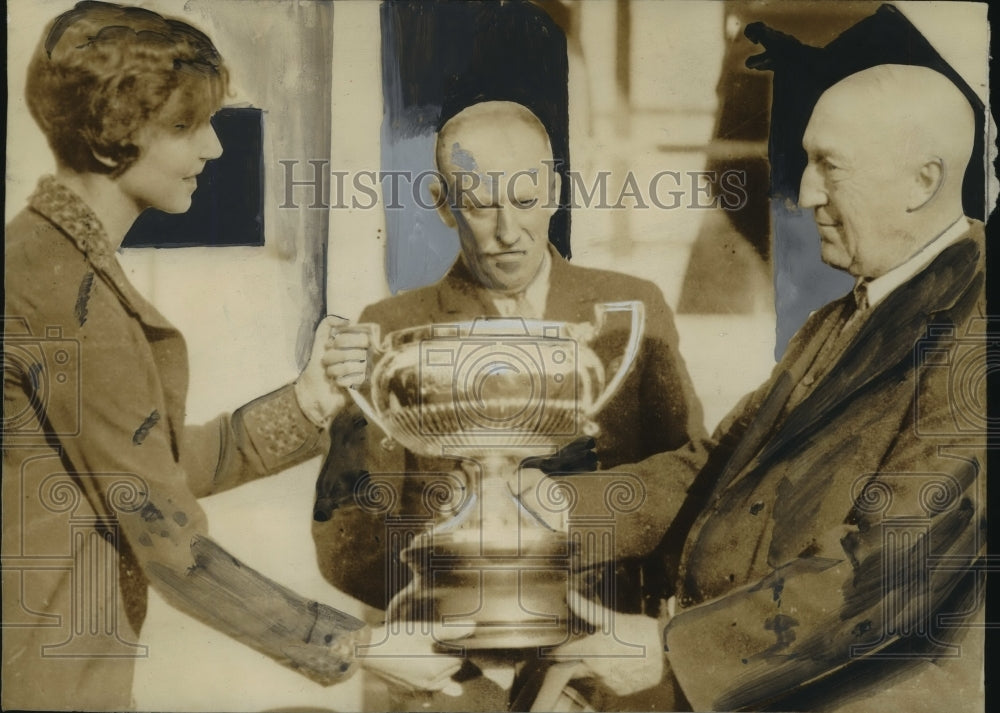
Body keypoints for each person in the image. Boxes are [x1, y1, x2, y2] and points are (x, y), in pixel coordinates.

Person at [2, 3, 451, 709]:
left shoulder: (48, 261)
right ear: (118, 132)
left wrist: (306, 404)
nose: (214, 148)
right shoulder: (62, 291)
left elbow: (153, 466)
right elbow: (167, 539)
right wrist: (354, 643)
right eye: (186, 126)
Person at [576, 64, 987, 711]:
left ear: (924, 180)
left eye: (831, 166)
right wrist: (547, 510)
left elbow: (896, 563)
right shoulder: (841, 315)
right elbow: (713, 467)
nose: (803, 194)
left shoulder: (980, 328)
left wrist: (675, 648)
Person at [311, 100, 708, 710]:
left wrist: (601, 614)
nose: (506, 230)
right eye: (477, 204)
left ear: (554, 190)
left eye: (525, 201)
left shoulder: (633, 309)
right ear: (443, 203)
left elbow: (689, 487)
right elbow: (346, 538)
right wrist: (465, 631)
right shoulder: (390, 330)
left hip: (612, 674)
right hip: (451, 682)